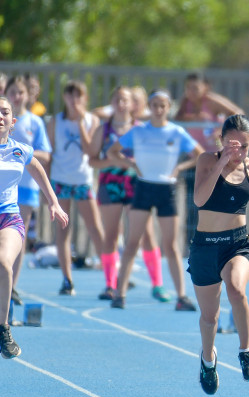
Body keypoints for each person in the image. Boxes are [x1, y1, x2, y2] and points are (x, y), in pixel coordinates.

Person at [0, 95, 68, 378]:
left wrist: (53, 201)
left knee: (2, 261)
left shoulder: (21, 149)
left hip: (7, 218)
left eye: (4, 112)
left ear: (13, 121)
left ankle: (2, 327)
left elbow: (38, 170)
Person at [189, 113, 249, 395]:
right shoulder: (207, 161)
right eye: (233, 146)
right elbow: (199, 199)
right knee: (210, 318)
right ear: (221, 141)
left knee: (236, 287)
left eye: (244, 147)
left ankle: (246, 350)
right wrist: (222, 162)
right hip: (205, 247)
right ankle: (208, 360)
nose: (239, 153)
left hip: (238, 243)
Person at [108, 89, 203, 311]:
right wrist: (131, 164)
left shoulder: (177, 132)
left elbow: (199, 154)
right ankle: (119, 293)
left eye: (163, 105)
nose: (159, 110)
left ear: (169, 108)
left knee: (171, 245)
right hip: (143, 187)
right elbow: (113, 151)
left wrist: (179, 167)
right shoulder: (138, 132)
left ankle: (181, 295)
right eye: (155, 105)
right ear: (149, 107)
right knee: (132, 242)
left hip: (166, 190)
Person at [88, 86, 162, 301]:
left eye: (125, 100)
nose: (121, 104)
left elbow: (152, 157)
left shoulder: (140, 129)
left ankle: (157, 284)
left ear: (132, 104)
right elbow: (92, 159)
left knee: (145, 233)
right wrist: (110, 161)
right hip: (110, 182)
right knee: (110, 234)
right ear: (112, 102)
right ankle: (111, 284)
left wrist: (135, 163)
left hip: (135, 182)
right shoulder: (103, 130)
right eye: (117, 99)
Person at [47, 80, 104, 296]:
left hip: (82, 179)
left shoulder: (92, 120)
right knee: (63, 230)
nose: (74, 100)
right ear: (64, 98)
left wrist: (80, 122)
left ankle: (110, 276)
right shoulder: (56, 121)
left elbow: (90, 150)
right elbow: (50, 153)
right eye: (70, 95)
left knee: (95, 228)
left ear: (85, 99)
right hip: (61, 179)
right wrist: (48, 191)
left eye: (78, 95)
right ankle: (66, 278)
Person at [174, 72, 244, 247]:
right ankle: (192, 243)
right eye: (188, 88)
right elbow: (177, 120)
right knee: (193, 203)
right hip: (195, 160)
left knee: (217, 201)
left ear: (205, 87)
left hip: (215, 159)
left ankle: (219, 242)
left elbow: (237, 113)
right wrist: (191, 118)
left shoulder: (211, 101)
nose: (191, 91)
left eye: (195, 87)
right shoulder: (185, 103)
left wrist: (220, 129)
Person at [5, 76, 52, 305]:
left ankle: (12, 285)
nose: (17, 96)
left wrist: (23, 151)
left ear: (28, 95)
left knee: (18, 238)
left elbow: (45, 153)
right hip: (3, 185)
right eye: (12, 92)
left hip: (26, 186)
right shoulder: (2, 120)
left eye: (20, 92)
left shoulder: (35, 122)